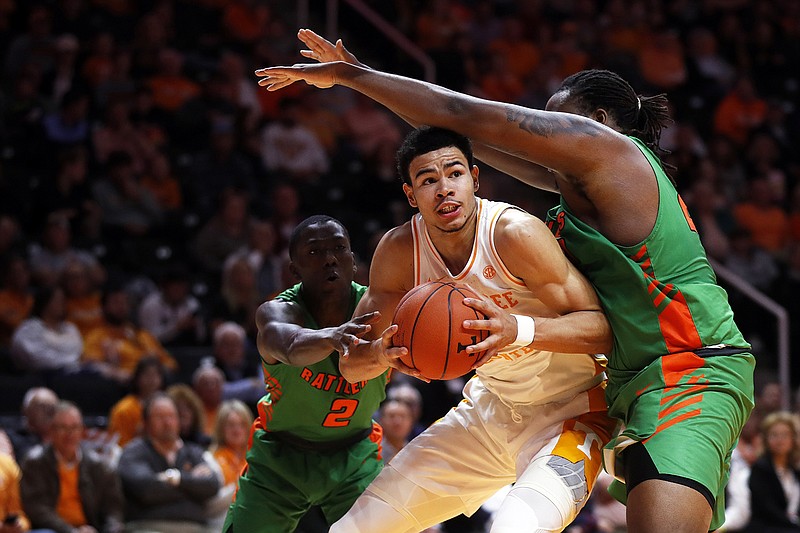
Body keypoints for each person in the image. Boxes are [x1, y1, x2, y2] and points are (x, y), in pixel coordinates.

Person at [256, 31, 756, 532]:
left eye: (559, 120)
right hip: (629, 380)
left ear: (600, 124)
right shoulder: (574, 186)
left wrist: (352, 75)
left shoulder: (611, 155)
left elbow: (468, 115)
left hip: (692, 366)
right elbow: (453, 135)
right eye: (428, 181)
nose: (548, 132)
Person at [325, 127, 614, 532]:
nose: (444, 189)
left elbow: (604, 327)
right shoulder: (399, 252)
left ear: (474, 179)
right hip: (488, 411)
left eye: (454, 174)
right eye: (428, 180)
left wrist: (517, 328)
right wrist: (379, 355)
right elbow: (350, 365)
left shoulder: (514, 233)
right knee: (353, 529)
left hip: (574, 413)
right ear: (411, 195)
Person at [222, 215, 390, 532]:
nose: (329, 259)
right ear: (294, 270)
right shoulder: (277, 311)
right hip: (281, 458)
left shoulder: (379, 308)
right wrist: (330, 336)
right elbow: (287, 344)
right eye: (315, 252)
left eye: (339, 248)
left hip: (354, 457)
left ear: (352, 261)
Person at [117, 393, 221, 533]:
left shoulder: (193, 451)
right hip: (149, 526)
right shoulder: (133, 451)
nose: (167, 422)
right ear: (146, 423)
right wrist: (193, 488)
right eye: (160, 417)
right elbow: (146, 490)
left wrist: (176, 478)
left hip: (196, 527)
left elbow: (212, 485)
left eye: (171, 416)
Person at [20, 401, 125, 533]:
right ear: (51, 431)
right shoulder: (35, 462)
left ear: (82, 430)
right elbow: (36, 509)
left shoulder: (99, 466)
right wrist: (71, 531)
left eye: (74, 427)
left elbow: (113, 511)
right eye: (63, 427)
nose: (69, 434)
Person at [745, 411, 800, 533]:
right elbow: (768, 510)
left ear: (793, 439)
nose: (780, 440)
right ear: (766, 439)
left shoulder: (795, 471)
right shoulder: (760, 468)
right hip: (766, 528)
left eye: (785, 435)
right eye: (774, 435)